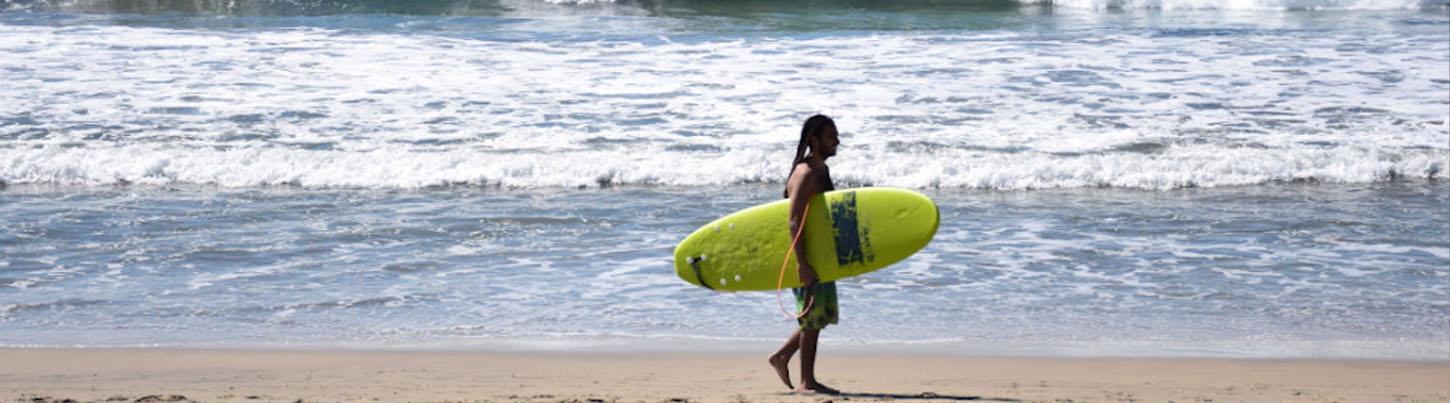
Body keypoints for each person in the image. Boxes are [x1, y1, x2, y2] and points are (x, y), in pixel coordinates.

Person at [768, 114, 841, 394]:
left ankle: (782, 356)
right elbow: (793, 220)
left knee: (818, 315)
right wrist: (802, 263)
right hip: (806, 256)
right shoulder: (806, 173)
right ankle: (806, 382)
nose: (837, 141)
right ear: (814, 140)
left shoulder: (821, 170)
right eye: (831, 136)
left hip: (819, 255)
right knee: (811, 317)